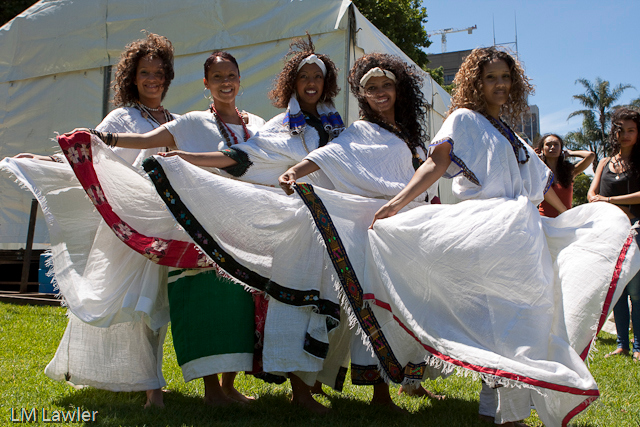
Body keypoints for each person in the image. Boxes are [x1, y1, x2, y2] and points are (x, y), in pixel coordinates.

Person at [364, 47, 639, 426]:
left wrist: (571, 218)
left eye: (505, 77)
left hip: (520, 238)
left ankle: (493, 410)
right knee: (512, 326)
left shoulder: (512, 135)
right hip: (488, 233)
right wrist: (397, 204)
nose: (500, 84)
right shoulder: (462, 119)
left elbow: (542, 186)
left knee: (509, 325)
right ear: (476, 82)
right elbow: (436, 162)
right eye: (490, 77)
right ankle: (510, 417)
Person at [84, 35, 347, 413]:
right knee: (208, 301)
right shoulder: (191, 122)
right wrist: (101, 136)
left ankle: (229, 385)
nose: (226, 82)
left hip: (247, 226)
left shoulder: (258, 124)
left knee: (242, 304)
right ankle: (211, 389)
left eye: (232, 75)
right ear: (205, 83)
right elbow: (144, 139)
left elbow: (265, 161)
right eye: (218, 76)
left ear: (240, 80)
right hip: (204, 227)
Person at [15, 32, 177, 408]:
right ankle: (152, 387)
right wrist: (47, 161)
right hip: (128, 226)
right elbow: (92, 154)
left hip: (165, 224)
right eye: (144, 73)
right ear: (132, 78)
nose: (151, 79)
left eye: (158, 72)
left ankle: (150, 379)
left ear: (168, 77)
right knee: (139, 304)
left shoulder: (177, 120)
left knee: (157, 306)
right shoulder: (123, 117)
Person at [277, 52, 443, 409]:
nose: (380, 92)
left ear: (399, 89)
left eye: (386, 85)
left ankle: (411, 380)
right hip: (377, 230)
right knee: (378, 308)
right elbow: (331, 155)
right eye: (371, 87)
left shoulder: (412, 135)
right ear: (361, 94)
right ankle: (380, 393)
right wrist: (295, 172)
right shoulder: (359, 131)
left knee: (413, 306)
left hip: (410, 230)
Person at [587, 107, 640, 363]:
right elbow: (590, 193)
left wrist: (609, 199)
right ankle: (622, 344)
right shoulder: (606, 162)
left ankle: (638, 344)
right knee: (616, 290)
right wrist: (600, 200)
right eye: (622, 130)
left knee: (637, 290)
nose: (626, 135)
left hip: (636, 229)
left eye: (632, 130)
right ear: (614, 133)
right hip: (611, 232)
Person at [535, 133, 594, 217]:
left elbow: (590, 155)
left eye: (556, 145)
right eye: (548, 145)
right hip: (545, 221)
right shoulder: (538, 171)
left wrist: (570, 153)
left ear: (561, 149)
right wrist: (534, 158)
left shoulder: (569, 172)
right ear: (542, 149)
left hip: (566, 220)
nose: (552, 147)